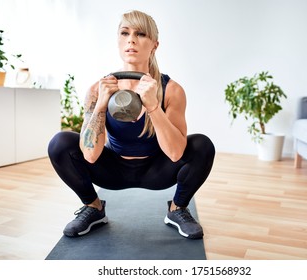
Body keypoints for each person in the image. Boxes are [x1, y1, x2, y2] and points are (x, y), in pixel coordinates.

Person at [48, 10, 215, 239]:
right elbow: (89, 155)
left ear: (154, 45)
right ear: (118, 40)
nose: (131, 39)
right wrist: (101, 106)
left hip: (157, 170)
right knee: (60, 143)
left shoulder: (171, 90)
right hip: (113, 171)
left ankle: (178, 209)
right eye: (125, 33)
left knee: (202, 145)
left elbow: (176, 153)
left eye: (141, 34)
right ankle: (93, 207)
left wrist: (154, 106)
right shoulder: (98, 89)